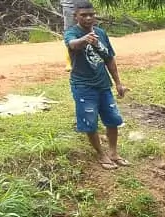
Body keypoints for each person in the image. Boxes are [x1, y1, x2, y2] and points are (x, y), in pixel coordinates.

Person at [64, 0, 131, 170]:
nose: (88, 18)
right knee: (90, 122)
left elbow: (109, 58)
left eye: (91, 15)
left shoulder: (101, 33)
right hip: (83, 86)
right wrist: (84, 39)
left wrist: (118, 83)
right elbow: (72, 44)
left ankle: (114, 153)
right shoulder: (72, 33)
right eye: (83, 15)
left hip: (103, 84)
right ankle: (101, 154)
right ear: (76, 16)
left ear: (95, 15)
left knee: (113, 120)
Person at [62, 0, 75, 71]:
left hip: (84, 5)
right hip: (69, 6)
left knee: (86, 31)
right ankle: (69, 62)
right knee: (70, 33)